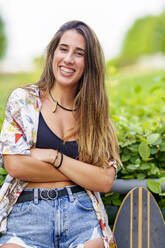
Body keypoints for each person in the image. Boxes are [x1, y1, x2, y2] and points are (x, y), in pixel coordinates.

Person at [0, 20, 121, 248]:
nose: (68, 59)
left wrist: (55, 157)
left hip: (81, 215)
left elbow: (104, 180)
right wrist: (81, 172)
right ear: (53, 53)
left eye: (79, 53)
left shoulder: (95, 113)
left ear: (89, 63)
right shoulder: (24, 100)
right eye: (63, 49)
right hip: (27, 219)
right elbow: (15, 164)